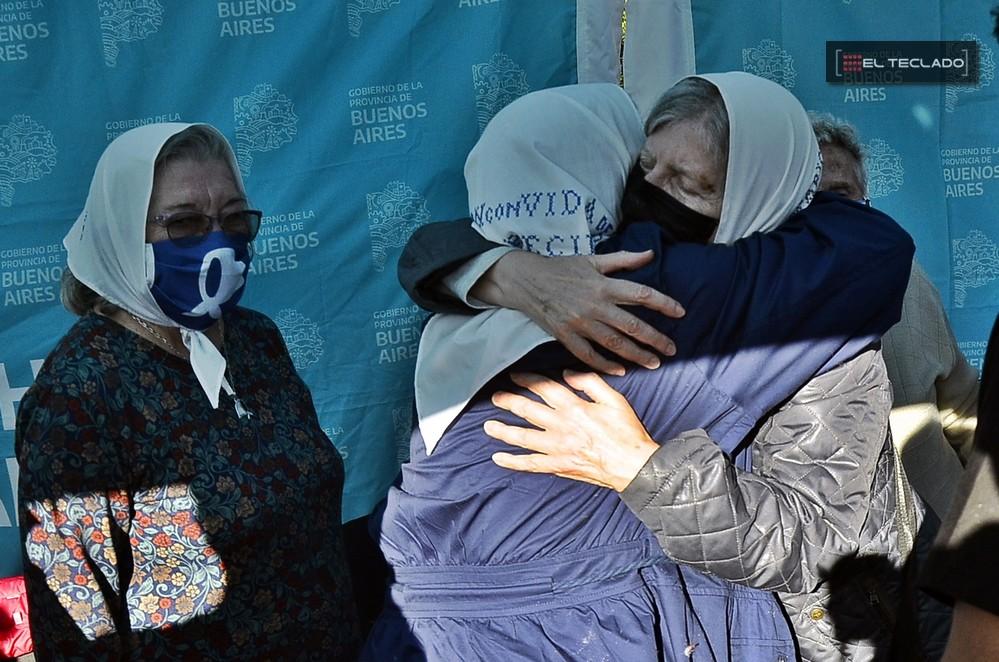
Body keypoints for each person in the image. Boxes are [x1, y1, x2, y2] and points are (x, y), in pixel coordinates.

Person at [369, 75, 913, 661]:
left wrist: (644, 470)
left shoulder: (770, 316)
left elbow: (812, 539)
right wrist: (510, 270)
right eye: (643, 169)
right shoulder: (583, 283)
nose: (650, 197)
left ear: (757, 194)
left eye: (689, 184)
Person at [16, 123, 360, 659]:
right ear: (122, 232)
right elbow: (75, 619)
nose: (218, 241)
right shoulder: (82, 391)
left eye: (234, 219)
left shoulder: (255, 339)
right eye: (185, 223)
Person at [811, 113, 979, 523]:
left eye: (841, 194)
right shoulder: (749, 302)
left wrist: (981, 516)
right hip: (824, 562)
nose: (828, 211)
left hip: (939, 544)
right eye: (811, 198)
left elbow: (963, 409)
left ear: (865, 201)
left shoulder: (908, 280)